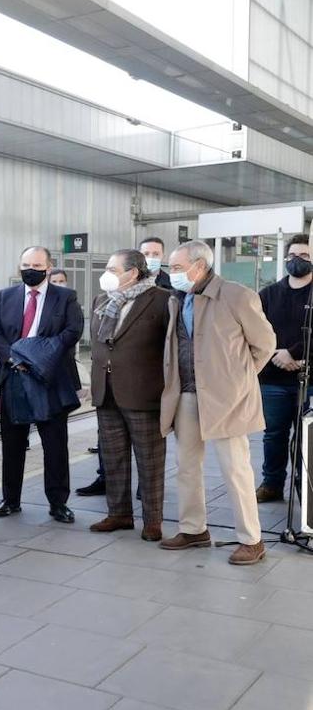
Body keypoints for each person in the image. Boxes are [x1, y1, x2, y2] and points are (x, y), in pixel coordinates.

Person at [159, 240, 276, 564]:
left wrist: (239, 379)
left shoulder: (236, 295)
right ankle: (194, 529)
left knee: (235, 469)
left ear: (200, 265)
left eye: (178, 267)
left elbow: (265, 344)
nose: (173, 273)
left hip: (227, 399)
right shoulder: (178, 298)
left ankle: (252, 540)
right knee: (186, 466)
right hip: (186, 394)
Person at [0, 245, 83, 523]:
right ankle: (10, 499)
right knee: (12, 443)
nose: (31, 270)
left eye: (38, 266)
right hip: (13, 376)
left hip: (49, 377)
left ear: (48, 268)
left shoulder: (65, 297)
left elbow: (72, 331)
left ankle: (58, 502)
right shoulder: (6, 296)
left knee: (55, 444)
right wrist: (13, 358)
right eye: (26, 265)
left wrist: (39, 356)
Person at [85, 250, 172, 541]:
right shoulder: (101, 301)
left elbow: (170, 348)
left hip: (143, 393)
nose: (106, 273)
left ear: (132, 273)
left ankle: (152, 520)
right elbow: (99, 346)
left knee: (149, 460)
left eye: (112, 268)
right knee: (113, 458)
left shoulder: (161, 300)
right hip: (106, 391)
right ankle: (119, 513)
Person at [255, 233, 312, 503]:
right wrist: (278, 354)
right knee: (274, 434)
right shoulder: (268, 294)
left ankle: (305, 488)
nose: (297, 260)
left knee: (306, 439)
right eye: (292, 255)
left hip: (309, 378)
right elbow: (255, 331)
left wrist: (294, 354)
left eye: (304, 255)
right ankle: (271, 484)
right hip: (273, 379)